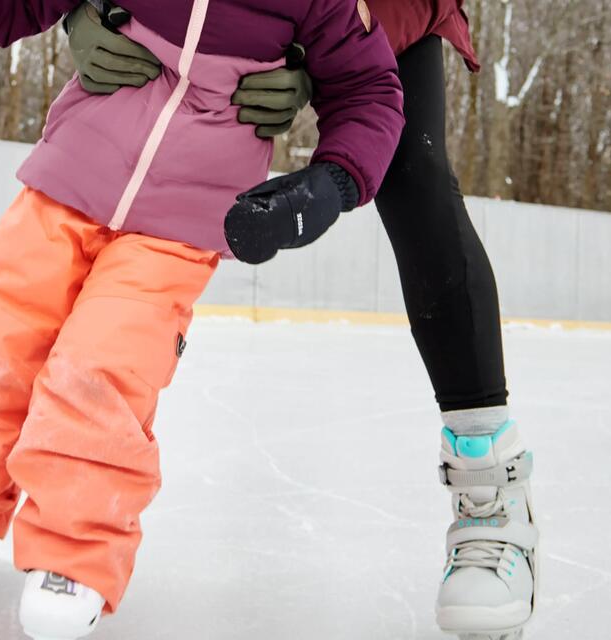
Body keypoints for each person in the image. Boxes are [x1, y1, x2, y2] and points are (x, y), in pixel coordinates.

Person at [0, 1, 403, 639]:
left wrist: (333, 183)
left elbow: (370, 88)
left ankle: (73, 559)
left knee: (101, 373)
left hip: (184, 220)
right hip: (67, 178)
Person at [64, 2, 538, 638]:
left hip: (371, 19)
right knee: (114, 133)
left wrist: (330, 55)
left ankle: (491, 494)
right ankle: (17, 477)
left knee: (413, 173)